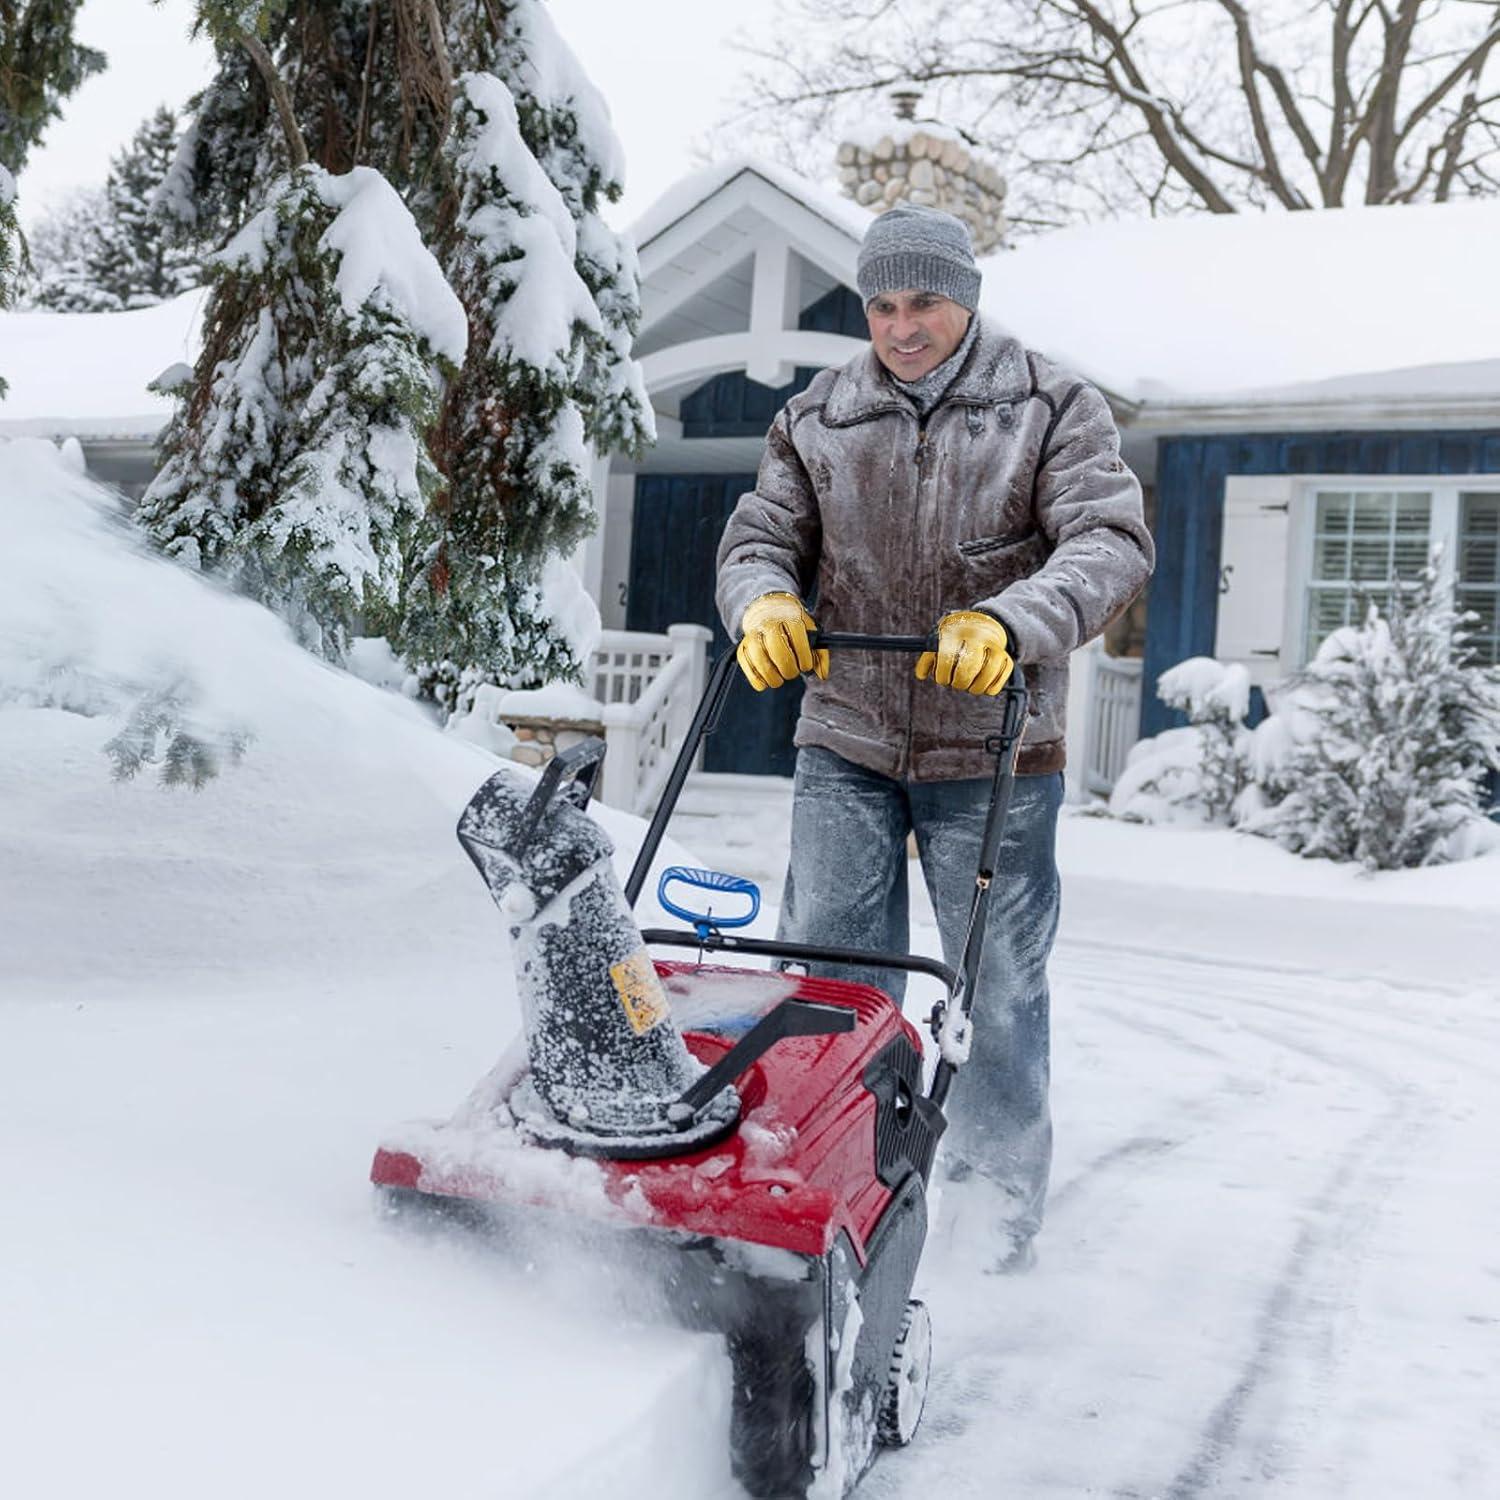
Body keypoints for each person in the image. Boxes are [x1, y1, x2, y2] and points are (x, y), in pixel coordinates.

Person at [715, 203, 1154, 1271]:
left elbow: (1110, 540)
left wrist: (1012, 621)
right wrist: (762, 602)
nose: (902, 326)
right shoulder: (819, 415)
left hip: (996, 746)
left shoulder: (1050, 405)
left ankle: (993, 1225)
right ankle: (822, 1188)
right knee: (830, 979)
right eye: (883, 303)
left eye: (925, 302)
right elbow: (760, 538)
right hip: (847, 736)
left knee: (995, 989)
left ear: (966, 297)